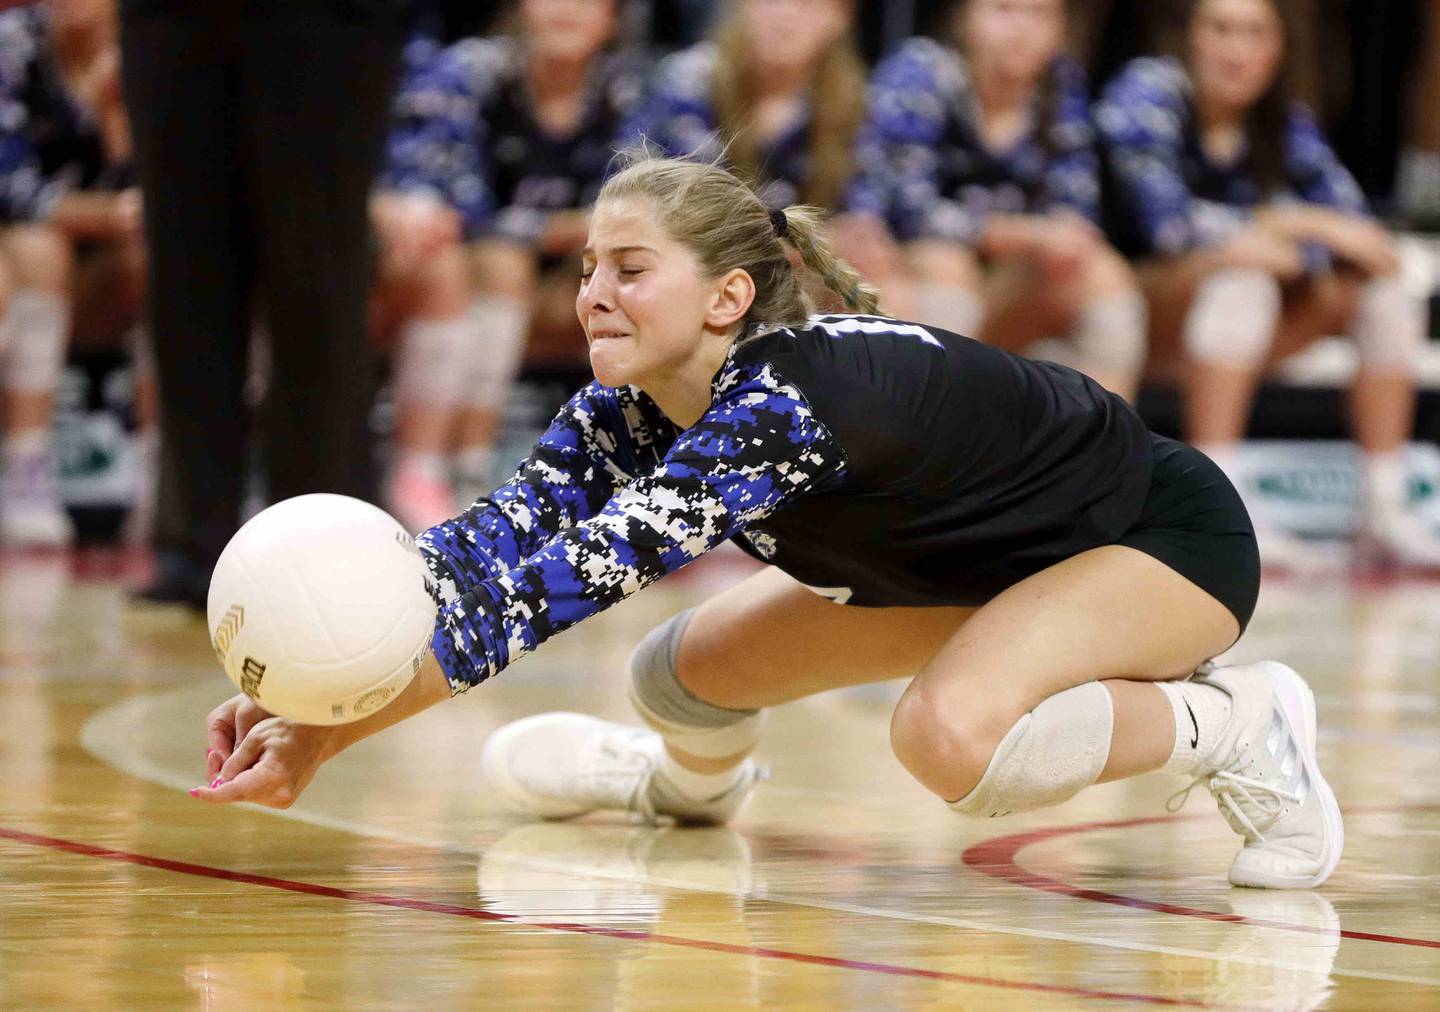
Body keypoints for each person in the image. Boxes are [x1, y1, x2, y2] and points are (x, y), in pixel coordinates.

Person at [194, 153, 1341, 891]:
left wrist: (331, 735)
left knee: (948, 738)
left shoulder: (783, 404)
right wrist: (309, 680)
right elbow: (484, 552)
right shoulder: (630, 404)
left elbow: (552, 593)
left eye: (631, 268)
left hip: (1155, 544)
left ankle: (1237, 722)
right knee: (677, 682)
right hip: (978, 566)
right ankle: (686, 792)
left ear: (728, 297)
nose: (593, 291)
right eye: (590, 265)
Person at [1095, 0, 1440, 569]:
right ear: (1190, 36)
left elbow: (1356, 231)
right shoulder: (1148, 92)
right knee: (1244, 278)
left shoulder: (1281, 115)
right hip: (1136, 316)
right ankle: (1213, 508)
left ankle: (1385, 510)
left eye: (1254, 32)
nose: (1237, 49)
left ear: (1278, 47)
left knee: (1379, 290)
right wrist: (1286, 225)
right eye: (1221, 29)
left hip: (1234, 335)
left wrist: (1296, 234)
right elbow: (1167, 225)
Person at [119, 0, 407, 607]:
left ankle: (324, 540)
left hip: (325, 25)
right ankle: (194, 544)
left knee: (319, 283)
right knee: (183, 277)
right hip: (168, 21)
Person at [375, 0, 643, 531]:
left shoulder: (628, 90)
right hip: (471, 267)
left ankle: (662, 483)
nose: (568, 9)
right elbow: (453, 205)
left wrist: (570, 234)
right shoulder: (471, 73)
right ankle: (435, 468)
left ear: (613, 17)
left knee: (658, 277)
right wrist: (554, 228)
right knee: (500, 264)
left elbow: (650, 208)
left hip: (579, 271)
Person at [843, 0, 1148, 401]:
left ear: (1060, 28)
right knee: (947, 267)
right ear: (965, 17)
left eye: (1039, 14)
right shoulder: (920, 70)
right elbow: (907, 210)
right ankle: (938, 441)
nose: (1020, 29)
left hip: (1012, 278)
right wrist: (1017, 234)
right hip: (914, 267)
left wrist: (1060, 239)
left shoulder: (1059, 83)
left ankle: (1106, 449)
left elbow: (1075, 204)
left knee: (1102, 271)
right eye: (1004, 9)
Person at [0, 1, 141, 547]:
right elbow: (9, 186)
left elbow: (156, 197)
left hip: (105, 272)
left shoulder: (150, 51)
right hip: (24, 258)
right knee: (40, 250)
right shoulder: (13, 44)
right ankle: (26, 470)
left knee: (160, 261)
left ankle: (166, 481)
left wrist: (114, 117)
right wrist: (98, 214)